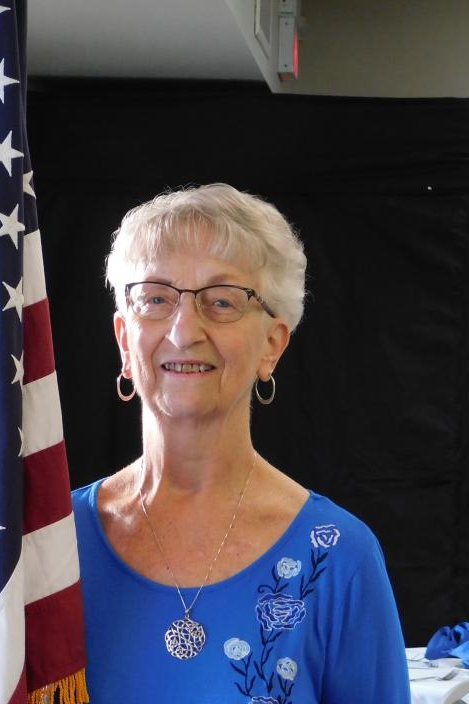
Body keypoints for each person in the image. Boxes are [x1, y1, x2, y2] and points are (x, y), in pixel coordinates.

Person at [72, 183, 411, 703]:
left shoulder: (341, 559)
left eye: (222, 302)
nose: (184, 331)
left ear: (272, 346)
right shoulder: (51, 543)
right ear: (124, 338)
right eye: (156, 299)